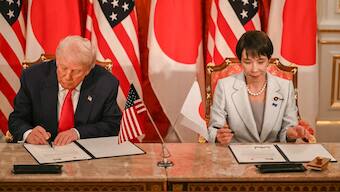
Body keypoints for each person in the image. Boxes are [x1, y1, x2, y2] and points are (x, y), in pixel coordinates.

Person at [9, 36, 122, 146]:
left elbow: (113, 124)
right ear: (57, 61)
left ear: (88, 70)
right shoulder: (33, 77)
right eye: (63, 68)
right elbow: (17, 119)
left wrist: (78, 133)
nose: (67, 76)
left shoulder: (106, 83)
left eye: (76, 71)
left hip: (85, 156)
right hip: (42, 150)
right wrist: (28, 133)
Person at [208, 30, 311, 144]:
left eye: (260, 61)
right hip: (237, 154)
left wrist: (291, 134)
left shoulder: (285, 87)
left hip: (274, 155)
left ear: (269, 60)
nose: (254, 69)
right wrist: (218, 136)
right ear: (240, 61)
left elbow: (288, 128)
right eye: (247, 62)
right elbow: (214, 129)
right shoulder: (224, 86)